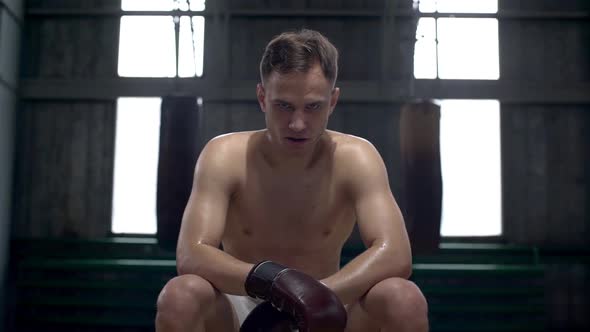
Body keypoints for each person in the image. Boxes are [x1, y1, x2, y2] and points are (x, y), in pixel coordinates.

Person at [155, 29, 429, 332]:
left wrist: (312, 299)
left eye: (313, 107)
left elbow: (396, 253)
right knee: (179, 295)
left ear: (333, 101)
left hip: (329, 297)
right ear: (262, 98)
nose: (298, 123)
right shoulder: (224, 155)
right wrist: (274, 282)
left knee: (404, 298)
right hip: (242, 301)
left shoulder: (356, 157)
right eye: (283, 105)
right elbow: (191, 254)